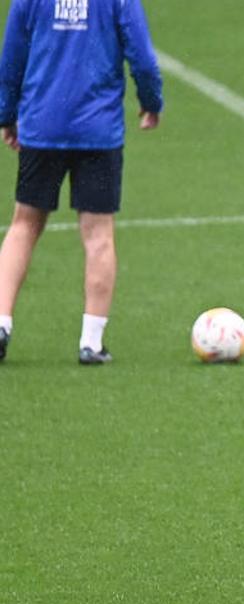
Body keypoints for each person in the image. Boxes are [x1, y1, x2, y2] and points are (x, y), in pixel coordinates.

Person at [0, 0, 163, 364]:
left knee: (24, 225)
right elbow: (143, 57)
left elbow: (11, 57)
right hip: (98, 131)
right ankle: (91, 343)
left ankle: (1, 323)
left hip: (42, 126)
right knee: (98, 234)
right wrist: (151, 101)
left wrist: (6, 114)